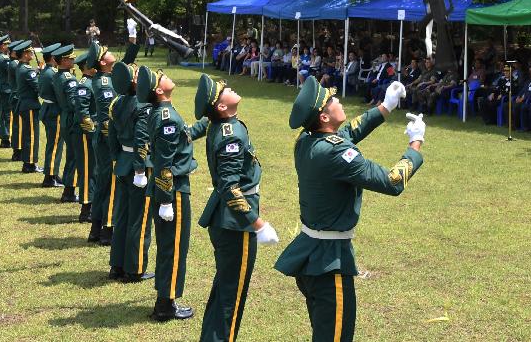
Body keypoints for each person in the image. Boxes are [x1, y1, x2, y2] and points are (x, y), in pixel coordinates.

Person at [275, 77, 423, 342]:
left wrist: (385, 106)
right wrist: (416, 144)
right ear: (323, 117)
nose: (338, 100)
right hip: (329, 262)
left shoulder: (307, 141)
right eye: (332, 100)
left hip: (310, 253)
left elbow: (348, 132)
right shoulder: (335, 153)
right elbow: (392, 181)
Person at [194, 75, 279, 342]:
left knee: (225, 288)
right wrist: (258, 223)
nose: (230, 88)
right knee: (232, 294)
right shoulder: (229, 132)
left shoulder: (225, 124)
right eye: (224, 90)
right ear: (221, 107)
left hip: (227, 220)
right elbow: (231, 187)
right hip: (234, 223)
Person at [138, 66, 197, 321]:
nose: (165, 75)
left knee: (169, 247)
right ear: (160, 90)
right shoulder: (166, 117)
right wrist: (165, 201)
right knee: (173, 248)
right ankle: (165, 305)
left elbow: (182, 137)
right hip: (173, 191)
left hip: (169, 189)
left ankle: (166, 299)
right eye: (161, 76)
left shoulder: (162, 113)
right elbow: (164, 163)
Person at [107, 59, 155, 283]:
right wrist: (139, 169)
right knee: (140, 219)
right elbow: (142, 141)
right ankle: (135, 268)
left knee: (123, 217)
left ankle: (117, 265)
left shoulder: (118, 103)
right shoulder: (142, 106)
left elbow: (112, 137)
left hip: (124, 162)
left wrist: (118, 158)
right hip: (138, 166)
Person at [87, 41, 139, 246]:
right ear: (102, 61)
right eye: (107, 52)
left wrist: (134, 42)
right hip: (108, 140)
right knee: (110, 184)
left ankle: (97, 228)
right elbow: (107, 117)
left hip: (107, 139)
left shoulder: (108, 77)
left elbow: (125, 65)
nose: (111, 54)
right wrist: (116, 142)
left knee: (104, 183)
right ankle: (107, 228)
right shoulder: (103, 83)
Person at [70, 53, 98, 225]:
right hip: (84, 133)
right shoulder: (84, 85)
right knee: (88, 170)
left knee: (94, 170)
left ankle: (92, 204)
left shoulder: (92, 82)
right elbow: (82, 113)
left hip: (91, 133)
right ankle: (86, 208)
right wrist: (93, 130)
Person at [51, 45, 80, 204]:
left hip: (64, 117)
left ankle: (69, 190)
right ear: (63, 60)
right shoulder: (69, 79)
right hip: (71, 118)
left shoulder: (57, 75)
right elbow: (75, 103)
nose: (73, 60)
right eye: (71, 58)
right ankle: (69, 192)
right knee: (75, 156)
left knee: (71, 155)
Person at [37, 43, 65, 187]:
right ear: (54, 57)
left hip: (48, 109)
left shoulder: (46, 71)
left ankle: (52, 173)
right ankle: (50, 177)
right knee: (55, 145)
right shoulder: (53, 74)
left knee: (53, 144)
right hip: (55, 111)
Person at [14, 41, 43, 175]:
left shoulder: (22, 67)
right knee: (31, 136)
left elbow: (30, 78)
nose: (32, 54)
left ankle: (28, 162)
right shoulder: (27, 70)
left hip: (25, 104)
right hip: (30, 105)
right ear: (25, 54)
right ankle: (30, 164)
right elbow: (38, 88)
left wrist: (37, 72)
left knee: (28, 135)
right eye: (30, 52)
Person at [0, 36, 13, 150]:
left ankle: (4, 137)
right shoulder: (4, 59)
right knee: (7, 115)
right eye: (7, 44)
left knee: (4, 113)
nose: (8, 46)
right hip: (6, 89)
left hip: (2, 87)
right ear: (2, 46)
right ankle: (5, 138)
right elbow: (12, 71)